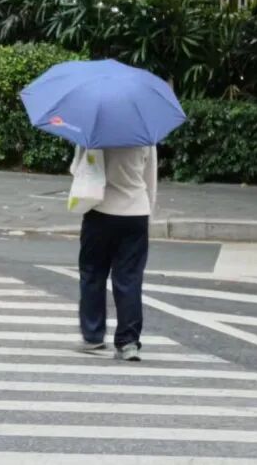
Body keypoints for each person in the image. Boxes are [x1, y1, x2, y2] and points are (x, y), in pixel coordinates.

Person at [74, 144, 157, 362]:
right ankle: (128, 342)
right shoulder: (144, 133)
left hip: (99, 209)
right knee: (129, 278)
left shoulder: (93, 129)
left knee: (92, 272)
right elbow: (150, 178)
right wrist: (148, 211)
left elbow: (77, 168)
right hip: (136, 211)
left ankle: (93, 335)